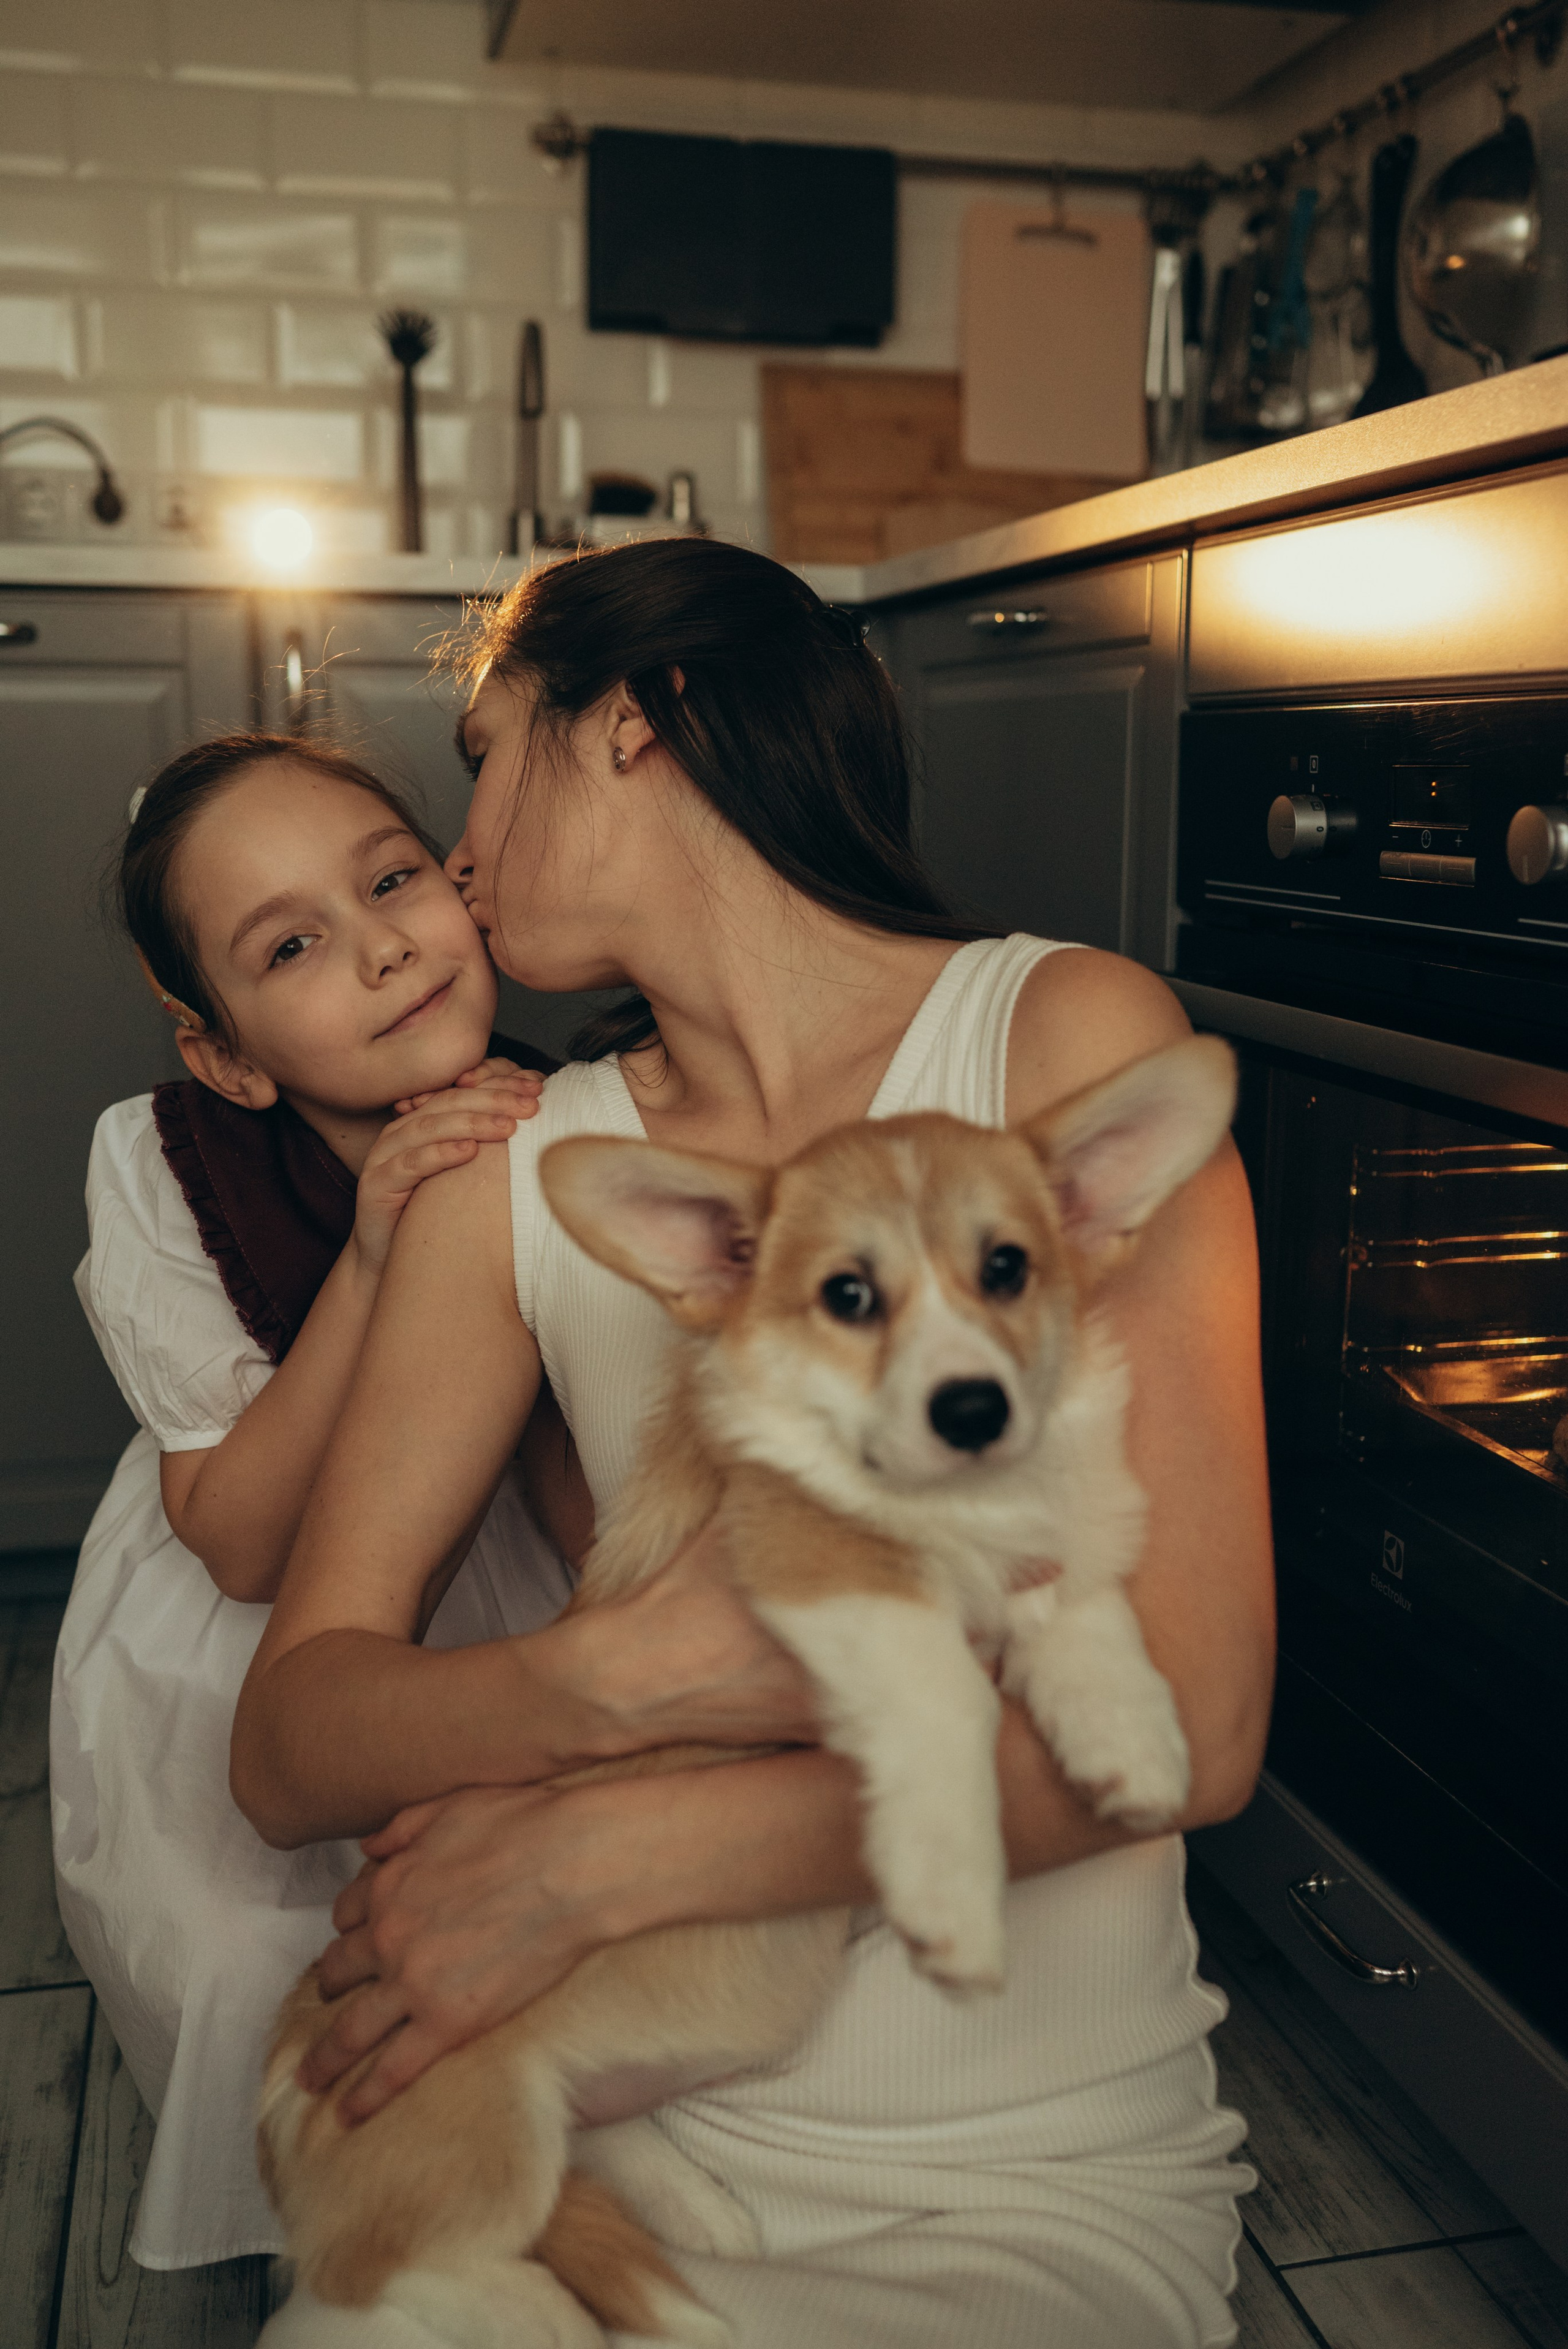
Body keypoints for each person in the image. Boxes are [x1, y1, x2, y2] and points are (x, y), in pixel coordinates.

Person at [234, 540, 1275, 2349]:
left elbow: (1194, 1722)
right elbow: (285, 1740)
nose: (458, 859)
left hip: (1022, 2175)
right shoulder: (521, 1175)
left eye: (483, 756)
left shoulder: (1057, 1041)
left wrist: (590, 1863)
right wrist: (616, 1679)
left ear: (632, 719)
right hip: (605, 2124)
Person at [50, 735, 571, 2271]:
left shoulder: (579, 1117)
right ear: (229, 1056)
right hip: (239, 1629)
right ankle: (331, 2232)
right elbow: (241, 1546)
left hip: (492, 1571)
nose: (382, 947)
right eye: (290, 946)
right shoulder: (164, 1162)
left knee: (524, 1929)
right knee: (255, 1946)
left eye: (392, 880)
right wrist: (372, 1254)